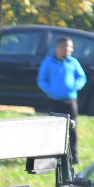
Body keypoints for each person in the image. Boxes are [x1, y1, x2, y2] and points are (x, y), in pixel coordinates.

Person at [36, 36, 87, 164]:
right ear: (59, 48)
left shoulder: (73, 62)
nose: (69, 49)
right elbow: (42, 80)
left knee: (72, 129)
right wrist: (50, 90)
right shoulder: (48, 62)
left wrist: (75, 87)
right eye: (67, 47)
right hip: (55, 101)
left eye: (70, 47)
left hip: (70, 101)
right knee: (55, 129)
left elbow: (82, 77)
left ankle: (74, 157)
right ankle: (55, 157)